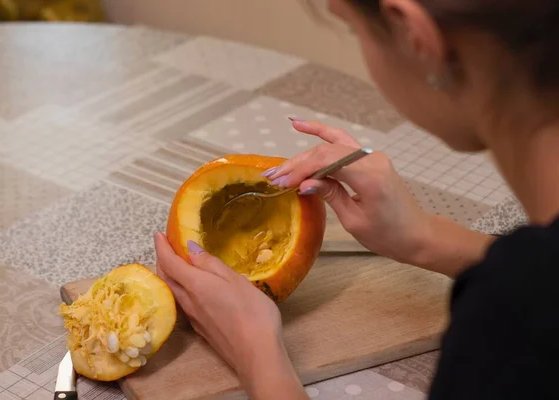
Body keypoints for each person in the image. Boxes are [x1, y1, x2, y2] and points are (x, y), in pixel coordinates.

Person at [153, 0, 559, 398]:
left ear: (415, 37)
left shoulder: (512, 322)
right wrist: (426, 239)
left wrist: (258, 358)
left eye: (353, 29)